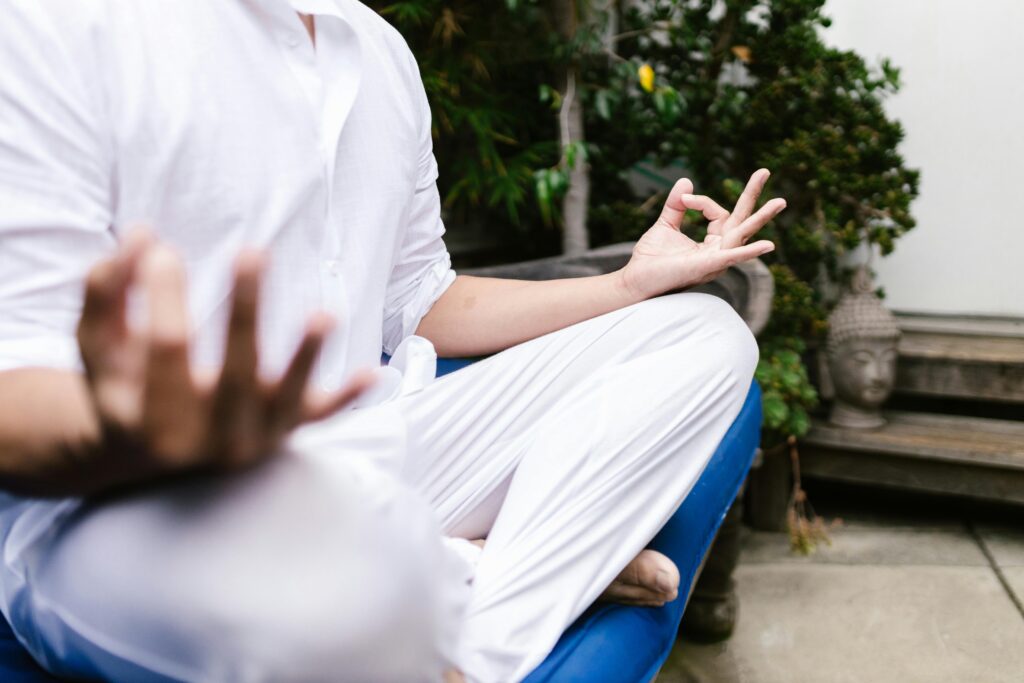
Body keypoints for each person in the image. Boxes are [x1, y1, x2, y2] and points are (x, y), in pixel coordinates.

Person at [0, 2, 784, 681]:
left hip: (366, 450)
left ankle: (473, 635)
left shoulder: (382, 54)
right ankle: (461, 571)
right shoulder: (55, 22)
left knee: (705, 336)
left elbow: (425, 300)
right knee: (319, 603)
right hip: (123, 502)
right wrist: (140, 432)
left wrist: (625, 287)